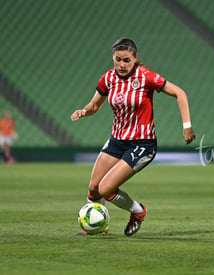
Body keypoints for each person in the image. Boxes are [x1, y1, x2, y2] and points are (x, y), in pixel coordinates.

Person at [71, 37, 195, 236]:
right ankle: (97, 227)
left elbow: (180, 93)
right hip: (117, 141)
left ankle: (138, 212)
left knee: (105, 189)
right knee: (94, 189)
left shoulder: (146, 77)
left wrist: (187, 126)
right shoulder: (108, 79)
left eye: (127, 60)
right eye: (118, 59)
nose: (122, 64)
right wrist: (84, 111)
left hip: (142, 144)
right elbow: (94, 105)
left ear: (135, 58)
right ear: (113, 58)